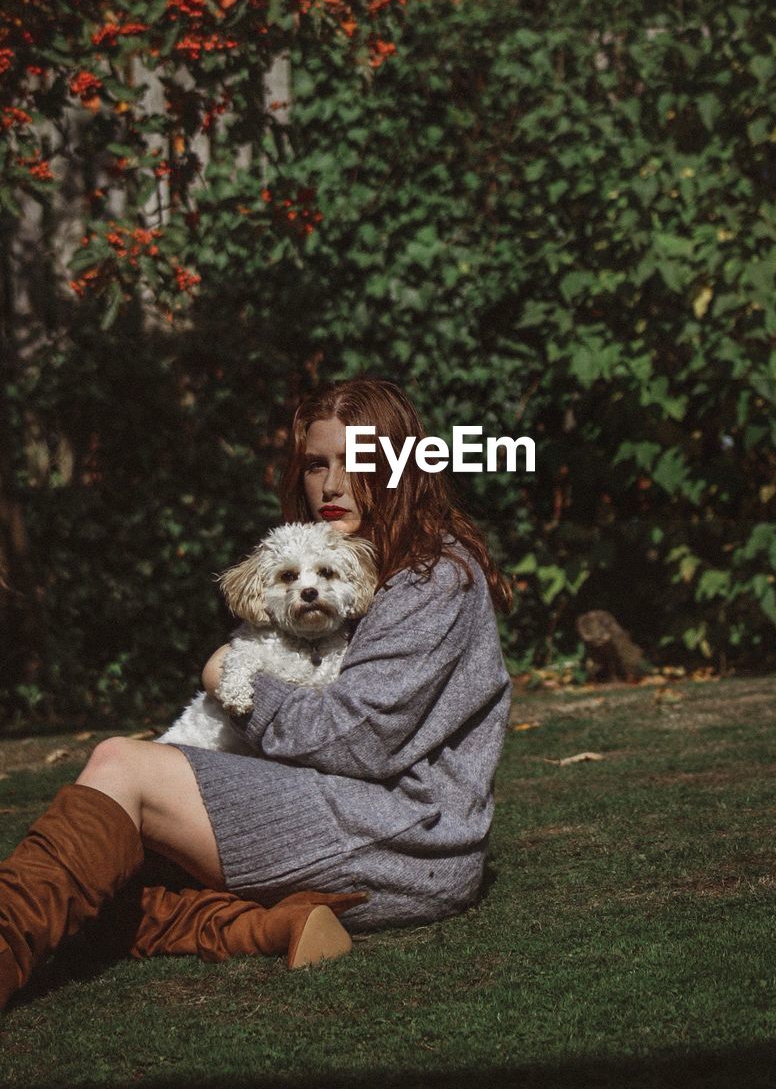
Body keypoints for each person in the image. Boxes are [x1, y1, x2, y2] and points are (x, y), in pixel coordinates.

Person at [0, 377, 513, 1010]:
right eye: (316, 465)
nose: (330, 486)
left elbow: (357, 739)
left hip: (406, 838)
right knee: (101, 866)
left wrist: (231, 678)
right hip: (359, 815)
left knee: (120, 767)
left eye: (358, 464)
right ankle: (274, 925)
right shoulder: (365, 564)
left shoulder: (433, 580)